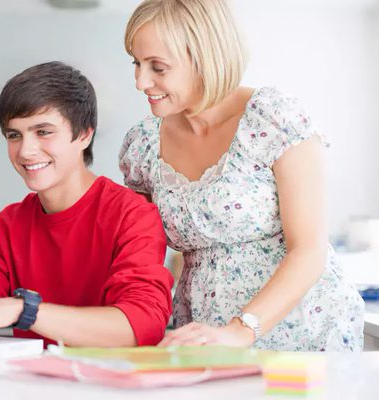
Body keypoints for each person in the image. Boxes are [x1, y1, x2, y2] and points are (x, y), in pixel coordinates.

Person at [119, 0, 364, 351]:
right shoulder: (143, 145)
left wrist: (241, 329)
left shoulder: (273, 119)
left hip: (301, 333)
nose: (141, 82)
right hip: (203, 335)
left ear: (205, 58)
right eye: (136, 63)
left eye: (157, 67)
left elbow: (309, 250)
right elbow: (138, 254)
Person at [0, 61, 173, 347]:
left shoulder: (132, 214)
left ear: (84, 134)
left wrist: (25, 310)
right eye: (14, 135)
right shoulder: (12, 221)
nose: (25, 150)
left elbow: (141, 325)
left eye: (43, 132)